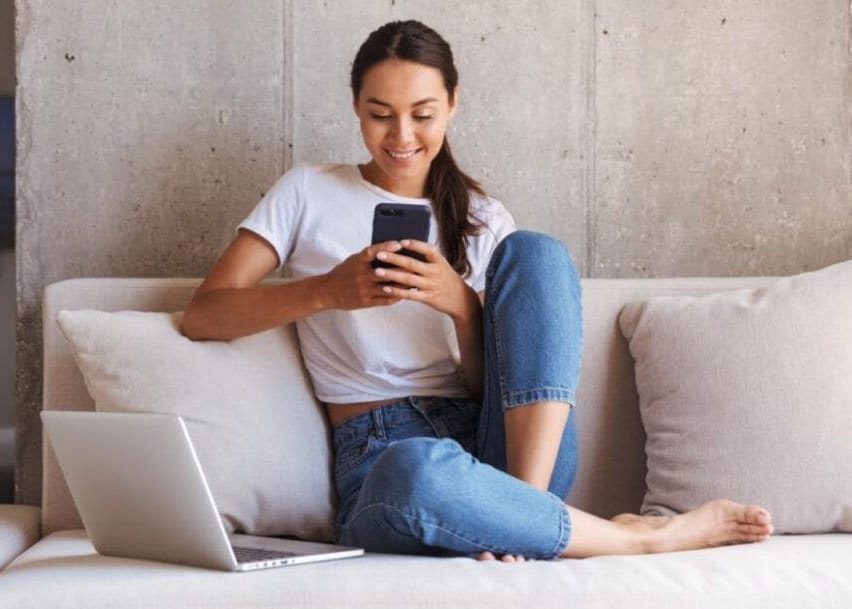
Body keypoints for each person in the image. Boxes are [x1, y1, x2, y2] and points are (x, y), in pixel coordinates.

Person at [182, 19, 773, 562]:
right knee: (416, 468)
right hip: (385, 460)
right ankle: (630, 536)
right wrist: (330, 290)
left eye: (423, 113)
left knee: (539, 252)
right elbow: (205, 315)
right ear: (356, 108)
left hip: (512, 454)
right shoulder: (307, 190)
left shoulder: (486, 219)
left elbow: (499, 384)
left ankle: (519, 514)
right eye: (380, 113)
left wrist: (461, 306)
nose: (401, 135)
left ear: (453, 105)